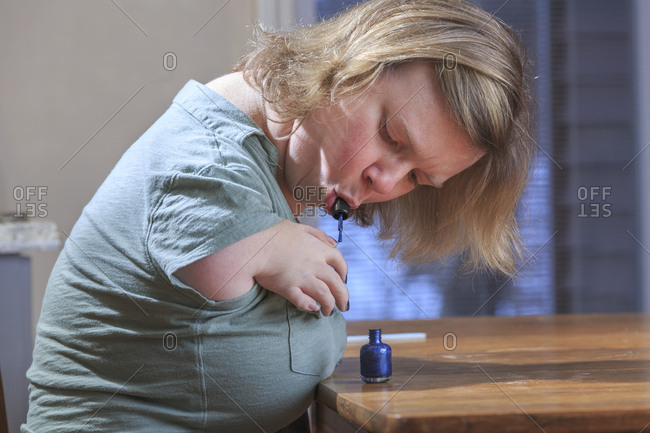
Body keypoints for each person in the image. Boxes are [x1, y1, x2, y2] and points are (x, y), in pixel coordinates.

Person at [22, 0, 534, 431]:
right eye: (392, 136)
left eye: (417, 178)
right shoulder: (208, 164)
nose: (387, 183)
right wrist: (266, 246)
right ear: (347, 66)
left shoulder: (289, 166)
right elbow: (213, 269)